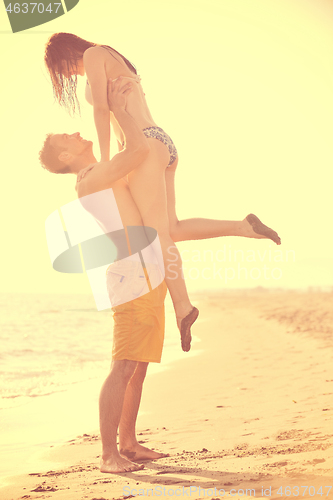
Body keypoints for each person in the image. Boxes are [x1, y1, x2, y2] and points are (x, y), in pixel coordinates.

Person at [43, 32, 281, 352]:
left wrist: (106, 161)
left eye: (62, 69)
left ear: (65, 54)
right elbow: (117, 114)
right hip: (161, 141)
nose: (68, 75)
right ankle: (243, 227)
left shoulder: (93, 55)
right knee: (172, 229)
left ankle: (183, 307)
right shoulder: (111, 56)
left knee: (156, 236)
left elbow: (102, 109)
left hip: (144, 144)